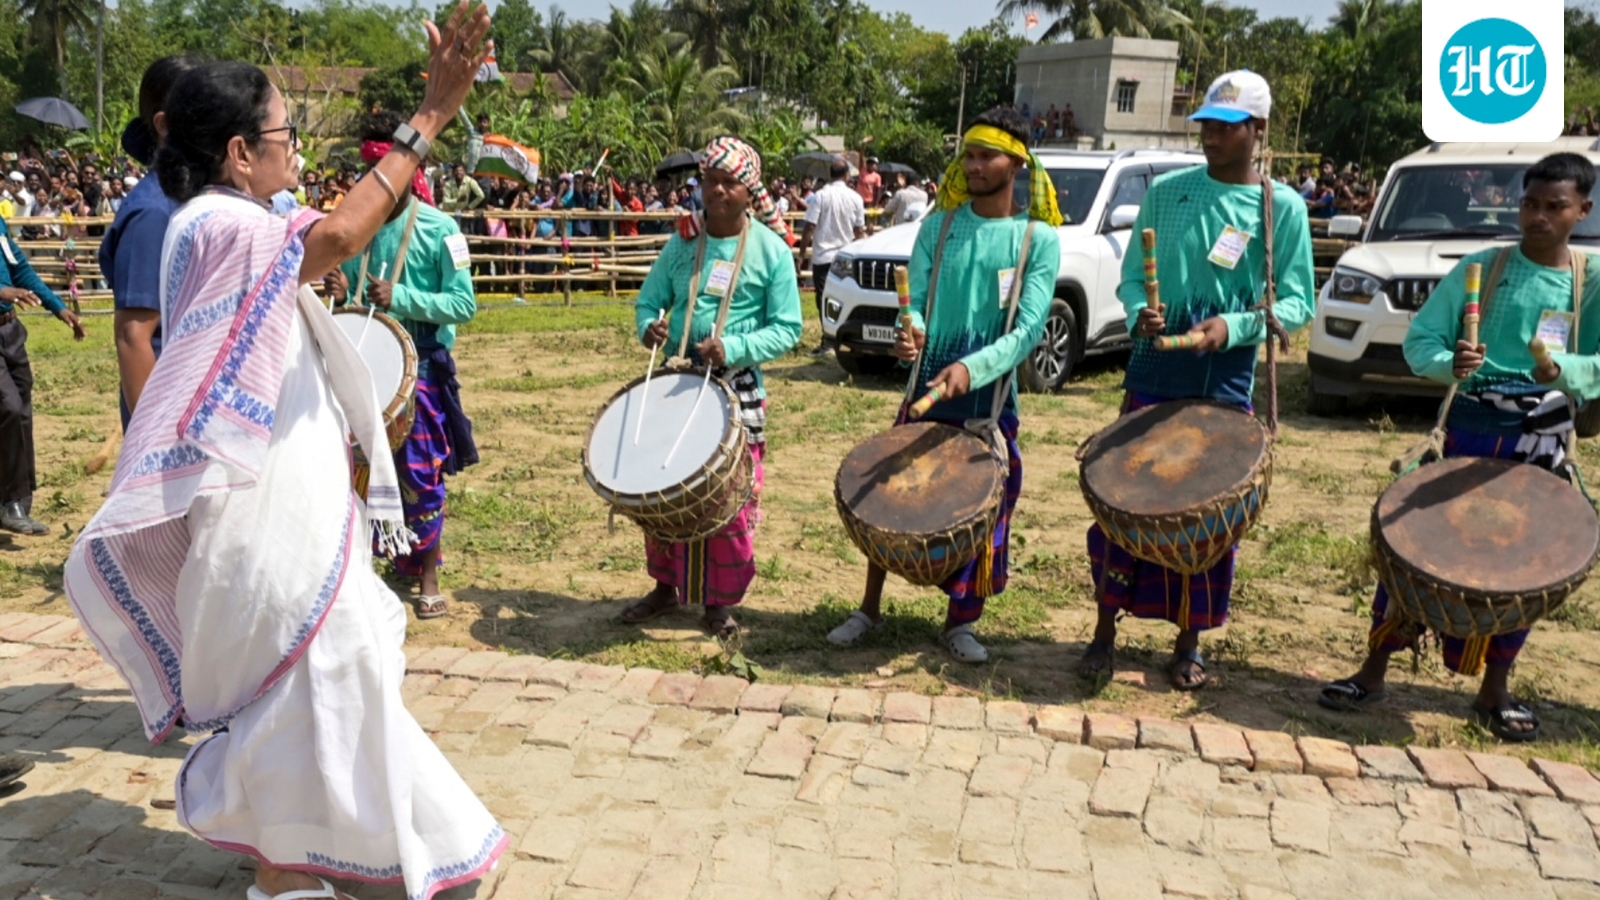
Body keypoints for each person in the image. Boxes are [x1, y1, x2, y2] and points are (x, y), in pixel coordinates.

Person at [60, 7, 507, 900]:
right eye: (284, 134)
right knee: (317, 678)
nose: (295, 149)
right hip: (264, 523)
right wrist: (428, 120)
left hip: (288, 510)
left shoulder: (244, 220)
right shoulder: (216, 227)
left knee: (345, 672)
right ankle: (285, 867)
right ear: (236, 152)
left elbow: (332, 228)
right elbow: (341, 234)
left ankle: (363, 849)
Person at [1319, 153, 1600, 742]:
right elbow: (1423, 339)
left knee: (1517, 570)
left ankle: (1494, 688)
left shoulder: (1589, 281)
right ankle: (1373, 672)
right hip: (1469, 432)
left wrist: (1562, 369)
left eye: (1555, 207)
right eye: (1530, 204)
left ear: (1583, 210)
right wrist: (1454, 362)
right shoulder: (1484, 268)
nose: (1539, 217)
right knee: (1416, 555)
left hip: (1539, 447)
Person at [1076, 70, 1316, 691]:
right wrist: (1140, 314)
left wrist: (1233, 327)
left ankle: (1190, 642)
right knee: (1126, 505)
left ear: (1258, 131)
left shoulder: (1279, 207)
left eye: (1226, 127)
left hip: (1225, 386)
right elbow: (1133, 277)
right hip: (1155, 372)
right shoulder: (1169, 193)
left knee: (1207, 521)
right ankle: (1104, 631)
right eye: (1206, 123)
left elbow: (1295, 304)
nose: (1210, 135)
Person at [826, 106, 1061, 663]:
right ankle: (869, 607)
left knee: (985, 511)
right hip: (923, 395)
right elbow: (921, 308)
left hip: (988, 403)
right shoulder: (940, 227)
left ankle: (960, 622)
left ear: (1016, 162)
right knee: (887, 494)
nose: (974, 166)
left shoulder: (1037, 240)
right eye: (969, 156)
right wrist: (913, 336)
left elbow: (1029, 329)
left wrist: (971, 369)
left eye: (986, 156)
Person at [619, 136, 802, 638]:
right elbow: (647, 303)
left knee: (728, 500)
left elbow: (789, 327)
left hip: (735, 387)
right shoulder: (682, 243)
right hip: (678, 383)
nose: (717, 191)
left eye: (729, 183)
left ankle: (720, 602)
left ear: (750, 191)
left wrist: (736, 346)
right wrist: (649, 326)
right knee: (664, 492)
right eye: (710, 181)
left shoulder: (771, 251)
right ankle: (665, 587)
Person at [324, 110, 479, 620]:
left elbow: (464, 305)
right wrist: (339, 289)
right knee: (356, 472)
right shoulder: (351, 226)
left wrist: (402, 297)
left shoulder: (443, 229)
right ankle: (366, 562)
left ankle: (428, 571)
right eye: (372, 175)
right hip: (360, 366)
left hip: (423, 370)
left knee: (420, 471)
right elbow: (341, 295)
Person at [104, 55, 201, 431]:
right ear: (163, 125)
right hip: (168, 416)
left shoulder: (183, 201)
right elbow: (134, 336)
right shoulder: (152, 214)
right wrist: (155, 443)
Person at [797, 159, 866, 356]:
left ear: (830, 175)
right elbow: (859, 230)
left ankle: (828, 341)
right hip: (846, 256)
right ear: (846, 176)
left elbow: (809, 226)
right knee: (845, 296)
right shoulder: (855, 198)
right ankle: (846, 339)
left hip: (823, 257)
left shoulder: (820, 196)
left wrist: (802, 254)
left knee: (823, 299)